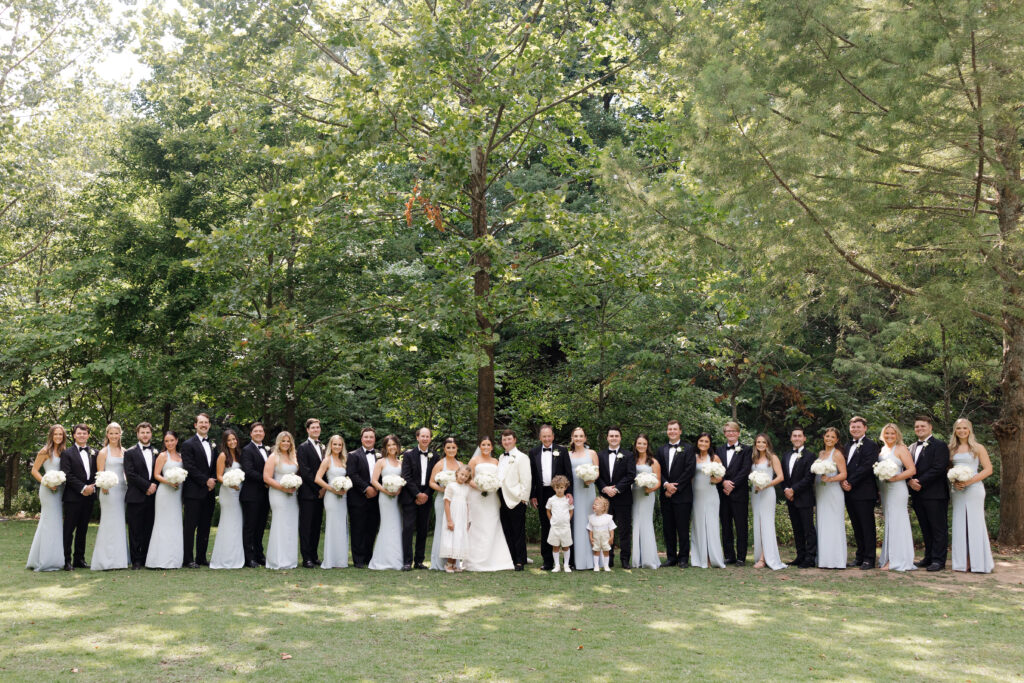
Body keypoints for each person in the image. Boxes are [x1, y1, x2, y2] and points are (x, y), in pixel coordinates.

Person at [949, 418, 994, 574]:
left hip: (974, 488)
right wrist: (954, 481)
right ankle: (962, 562)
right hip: (957, 490)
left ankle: (978, 562)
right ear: (955, 431)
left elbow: (988, 469)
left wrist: (969, 481)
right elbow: (947, 469)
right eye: (958, 428)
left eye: (965, 428)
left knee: (975, 523)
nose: (962, 431)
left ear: (970, 430)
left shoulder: (978, 447)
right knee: (959, 523)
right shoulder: (951, 449)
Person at [464, 435, 514, 571]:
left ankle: (495, 559)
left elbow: (499, 478)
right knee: (478, 525)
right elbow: (468, 478)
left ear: (492, 447)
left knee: (492, 524)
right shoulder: (474, 460)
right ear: (479, 446)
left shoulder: (496, 461)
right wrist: (480, 486)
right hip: (477, 496)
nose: (486, 447)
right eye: (483, 445)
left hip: (491, 497)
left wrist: (491, 486)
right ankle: (474, 560)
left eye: (488, 445)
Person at [908, 416, 949, 571]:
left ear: (930, 427)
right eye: (917, 426)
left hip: (935, 494)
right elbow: (907, 467)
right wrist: (910, 481)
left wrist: (919, 481)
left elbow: (939, 468)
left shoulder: (940, 445)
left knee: (938, 528)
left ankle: (939, 560)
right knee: (925, 527)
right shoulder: (911, 447)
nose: (919, 428)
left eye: (922, 426)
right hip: (917, 494)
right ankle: (929, 557)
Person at [529, 424, 573, 571]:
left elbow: (568, 472)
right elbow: (532, 476)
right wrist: (533, 495)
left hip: (560, 492)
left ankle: (567, 561)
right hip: (542, 493)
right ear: (540, 437)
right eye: (544, 436)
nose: (547, 439)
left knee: (564, 524)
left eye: (549, 436)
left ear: (553, 436)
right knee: (546, 526)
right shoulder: (533, 452)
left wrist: (569, 492)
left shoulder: (562, 451)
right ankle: (548, 561)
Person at [877, 423, 917, 571]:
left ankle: (897, 560)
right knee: (890, 522)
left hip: (897, 489)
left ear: (897, 435)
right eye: (886, 433)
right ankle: (888, 557)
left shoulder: (901, 449)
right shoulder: (882, 450)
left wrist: (896, 478)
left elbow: (912, 470)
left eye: (892, 433)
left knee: (897, 522)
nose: (889, 436)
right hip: (885, 490)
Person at [27, 425, 67, 572]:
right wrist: (47, 482)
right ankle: (44, 560)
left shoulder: (63, 451)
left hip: (60, 490)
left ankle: (54, 558)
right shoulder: (45, 451)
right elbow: (34, 470)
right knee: (48, 522)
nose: (58, 437)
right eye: (56, 434)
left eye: (60, 434)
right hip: (47, 490)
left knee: (56, 523)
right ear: (51, 435)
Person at [180, 413, 218, 568]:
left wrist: (213, 479)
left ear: (209, 425)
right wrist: (205, 481)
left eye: (206, 422)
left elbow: (215, 466)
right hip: (193, 492)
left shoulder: (213, 444)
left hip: (209, 492)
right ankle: (188, 559)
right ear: (195, 425)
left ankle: (201, 557)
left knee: (205, 526)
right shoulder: (188, 444)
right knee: (190, 527)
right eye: (201, 422)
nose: (204, 425)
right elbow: (189, 467)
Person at [656, 419, 695, 568]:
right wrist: (666, 484)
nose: (672, 431)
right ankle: (671, 557)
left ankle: (683, 558)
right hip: (666, 495)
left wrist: (675, 488)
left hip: (683, 495)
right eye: (670, 429)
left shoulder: (688, 449)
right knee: (668, 528)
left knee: (683, 528)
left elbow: (689, 470)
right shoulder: (661, 450)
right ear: (667, 431)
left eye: (675, 429)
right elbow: (658, 470)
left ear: (680, 431)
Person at [91, 422, 129, 571]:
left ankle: (119, 559)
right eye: (111, 433)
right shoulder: (103, 452)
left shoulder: (124, 451)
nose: (114, 436)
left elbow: (126, 472)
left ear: (120, 434)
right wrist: (104, 486)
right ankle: (105, 560)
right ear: (107, 434)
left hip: (122, 490)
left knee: (119, 523)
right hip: (108, 491)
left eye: (116, 433)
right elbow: (99, 473)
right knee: (109, 523)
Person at [842, 416, 879, 570]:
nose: (855, 429)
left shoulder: (871, 445)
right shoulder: (846, 445)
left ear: (865, 428)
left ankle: (869, 559)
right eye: (853, 427)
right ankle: (859, 556)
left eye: (858, 426)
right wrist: (842, 481)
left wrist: (850, 481)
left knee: (867, 525)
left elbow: (867, 466)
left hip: (864, 491)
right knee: (856, 526)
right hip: (848, 491)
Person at [146, 431, 185, 569]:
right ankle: (159, 559)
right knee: (162, 524)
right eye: (167, 441)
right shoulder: (162, 456)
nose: (169, 443)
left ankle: (174, 559)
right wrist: (169, 482)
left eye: (172, 440)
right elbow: (156, 474)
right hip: (165, 493)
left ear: (177, 440)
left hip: (177, 493)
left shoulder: (181, 456)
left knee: (175, 523)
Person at [597, 426, 635, 568]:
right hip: (605, 499)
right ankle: (609, 558)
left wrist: (617, 489)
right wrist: (605, 488)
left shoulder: (628, 455)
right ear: (607, 438)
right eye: (611, 436)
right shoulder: (600, 455)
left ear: (620, 438)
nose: (613, 438)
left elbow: (631, 475)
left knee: (624, 530)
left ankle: (625, 559)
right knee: (606, 529)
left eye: (616, 436)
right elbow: (596, 475)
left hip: (623, 497)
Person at [60, 423, 96, 570]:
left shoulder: (94, 452)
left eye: (84, 433)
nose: (82, 435)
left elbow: (98, 473)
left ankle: (79, 559)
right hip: (73, 497)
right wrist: (83, 488)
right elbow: (67, 474)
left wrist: (92, 487)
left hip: (89, 497)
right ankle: (66, 560)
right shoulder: (67, 453)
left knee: (83, 529)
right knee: (69, 530)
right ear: (74, 435)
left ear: (88, 435)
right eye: (79, 433)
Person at [123, 422, 159, 569]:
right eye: (142, 432)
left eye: (147, 432)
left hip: (153, 497)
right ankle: (136, 560)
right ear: (138, 434)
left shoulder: (156, 452)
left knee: (148, 528)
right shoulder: (129, 452)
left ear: (151, 434)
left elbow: (159, 472)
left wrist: (154, 485)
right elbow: (130, 474)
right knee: (135, 530)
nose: (145, 435)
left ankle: (146, 558)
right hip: (136, 497)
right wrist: (147, 486)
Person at [716, 421, 752, 566]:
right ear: (725, 433)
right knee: (726, 525)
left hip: (739, 493)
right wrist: (724, 482)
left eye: (733, 431)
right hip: (723, 493)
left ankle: (741, 557)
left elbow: (745, 469)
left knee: (741, 525)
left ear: (738, 433)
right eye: (728, 431)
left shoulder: (746, 449)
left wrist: (732, 484)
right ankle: (729, 555)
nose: (731, 433)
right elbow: (716, 468)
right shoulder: (718, 450)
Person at [400, 427, 436, 570]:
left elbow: (435, 478)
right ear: (417, 437)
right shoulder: (408, 455)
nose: (425, 439)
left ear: (430, 438)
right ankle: (407, 561)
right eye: (423, 436)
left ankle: (419, 561)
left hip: (426, 496)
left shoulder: (435, 456)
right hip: (410, 496)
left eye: (427, 436)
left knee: (423, 529)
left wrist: (426, 494)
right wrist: (417, 494)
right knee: (408, 529)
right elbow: (406, 476)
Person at [263, 431, 300, 570]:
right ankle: (277, 560)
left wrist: (295, 483)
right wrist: (283, 488)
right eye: (283, 441)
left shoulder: (293, 456)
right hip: (278, 494)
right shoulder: (273, 457)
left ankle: (290, 560)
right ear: (278, 442)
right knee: (280, 524)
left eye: (288, 441)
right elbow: (267, 478)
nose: (286, 443)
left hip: (292, 495)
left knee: (291, 525)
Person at [749, 433, 786, 570]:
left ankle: (764, 558)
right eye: (758, 442)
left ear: (768, 444)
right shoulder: (754, 458)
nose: (760, 444)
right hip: (755, 493)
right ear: (755, 444)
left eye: (763, 442)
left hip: (767, 493)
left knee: (766, 524)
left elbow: (780, 477)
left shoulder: (773, 458)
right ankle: (760, 555)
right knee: (758, 524)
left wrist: (766, 485)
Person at [210, 429, 245, 570]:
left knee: (237, 523)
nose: (232, 442)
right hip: (228, 492)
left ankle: (236, 556)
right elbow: (219, 476)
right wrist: (230, 483)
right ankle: (225, 558)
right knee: (228, 523)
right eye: (229, 440)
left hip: (239, 491)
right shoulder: (223, 455)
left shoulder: (239, 454)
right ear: (225, 442)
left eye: (234, 439)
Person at [782, 427, 816, 569]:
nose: (797, 438)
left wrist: (793, 490)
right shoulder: (786, 455)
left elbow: (809, 478)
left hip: (804, 497)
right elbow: (783, 476)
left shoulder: (810, 456)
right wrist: (786, 490)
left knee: (808, 529)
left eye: (799, 436)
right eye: (794, 436)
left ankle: (810, 558)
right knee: (797, 529)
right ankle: (800, 556)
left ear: (804, 438)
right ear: (791, 438)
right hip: (790, 498)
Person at [369, 434, 405, 570]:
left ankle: (397, 559)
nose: (392, 447)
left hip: (397, 498)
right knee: (386, 525)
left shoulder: (401, 463)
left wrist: (399, 489)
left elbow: (403, 480)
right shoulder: (381, 462)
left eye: (393, 444)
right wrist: (385, 490)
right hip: (385, 498)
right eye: (389, 445)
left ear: (397, 446)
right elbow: (374, 481)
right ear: (385, 448)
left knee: (397, 525)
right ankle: (383, 559)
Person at [814, 428, 848, 570]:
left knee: (833, 524)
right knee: (822, 523)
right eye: (827, 436)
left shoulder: (837, 454)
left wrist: (830, 479)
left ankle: (836, 560)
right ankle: (824, 559)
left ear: (837, 440)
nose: (829, 439)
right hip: (821, 491)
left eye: (832, 437)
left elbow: (844, 474)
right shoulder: (821, 454)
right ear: (824, 437)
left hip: (833, 492)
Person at [498, 429, 532, 571]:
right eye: (504, 439)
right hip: (501, 498)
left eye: (509, 439)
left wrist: (524, 497)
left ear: (515, 440)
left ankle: (520, 560)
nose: (506, 442)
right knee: (507, 530)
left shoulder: (522, 457)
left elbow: (526, 479)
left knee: (518, 531)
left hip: (516, 498)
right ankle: (511, 558)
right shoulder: (501, 457)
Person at [690, 433, 726, 569]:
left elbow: (721, 476)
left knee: (711, 525)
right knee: (698, 525)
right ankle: (700, 557)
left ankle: (712, 557)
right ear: (697, 442)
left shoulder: (714, 458)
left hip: (710, 494)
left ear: (710, 444)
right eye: (701, 441)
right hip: (696, 494)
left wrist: (715, 479)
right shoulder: (693, 457)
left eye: (706, 441)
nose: (703, 443)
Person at [315, 434, 350, 569]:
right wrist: (331, 489)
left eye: (339, 444)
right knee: (332, 526)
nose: (337, 447)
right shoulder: (327, 460)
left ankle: (340, 560)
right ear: (330, 445)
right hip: (331, 497)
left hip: (343, 497)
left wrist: (346, 485)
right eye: (335, 444)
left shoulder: (343, 460)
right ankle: (330, 560)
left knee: (341, 526)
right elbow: (317, 478)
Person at [347, 427, 380, 568]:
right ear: (361, 439)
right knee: (358, 528)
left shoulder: (380, 456)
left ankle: (368, 556)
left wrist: (377, 489)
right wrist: (366, 488)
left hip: (376, 498)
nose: (368, 439)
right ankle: (358, 559)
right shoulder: (353, 455)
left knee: (372, 528)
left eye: (371, 437)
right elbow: (352, 474)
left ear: (374, 439)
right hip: (358, 497)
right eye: (366, 437)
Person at [567, 427, 599, 570]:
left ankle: (593, 560)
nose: (578, 438)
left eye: (581, 436)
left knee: (589, 522)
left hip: (588, 491)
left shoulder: (592, 453)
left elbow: (597, 472)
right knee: (576, 524)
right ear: (572, 438)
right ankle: (577, 561)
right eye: (576, 436)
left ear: (585, 438)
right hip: (574, 492)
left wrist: (590, 479)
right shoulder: (568, 454)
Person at [239, 422, 270, 567]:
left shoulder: (267, 450)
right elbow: (249, 471)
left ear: (264, 433)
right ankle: (249, 557)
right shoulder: (247, 450)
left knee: (260, 527)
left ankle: (259, 554)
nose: (258, 433)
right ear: (251, 433)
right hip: (251, 495)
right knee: (250, 527)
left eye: (261, 431)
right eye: (255, 431)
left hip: (265, 494)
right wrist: (266, 480)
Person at [296, 417, 326, 568]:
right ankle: (306, 558)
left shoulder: (323, 447)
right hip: (308, 493)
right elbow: (305, 471)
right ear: (307, 430)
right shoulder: (302, 447)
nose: (316, 430)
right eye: (313, 427)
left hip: (321, 494)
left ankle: (314, 556)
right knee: (306, 527)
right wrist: (319, 488)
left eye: (317, 427)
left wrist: (324, 488)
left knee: (316, 526)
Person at [429, 437, 461, 570]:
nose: (451, 450)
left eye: (453, 447)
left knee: (454, 529)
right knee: (442, 528)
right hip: (442, 500)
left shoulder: (461, 465)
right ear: (444, 449)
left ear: (457, 448)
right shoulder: (440, 464)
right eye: (448, 448)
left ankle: (453, 562)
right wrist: (443, 489)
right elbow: (431, 482)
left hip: (456, 501)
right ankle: (439, 562)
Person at [631, 433, 661, 569]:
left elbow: (658, 481)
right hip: (634, 494)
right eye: (639, 443)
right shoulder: (632, 460)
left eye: (644, 443)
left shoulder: (653, 462)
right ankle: (637, 559)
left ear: (647, 445)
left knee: (646, 523)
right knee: (636, 523)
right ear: (635, 445)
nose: (641, 446)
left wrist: (650, 489)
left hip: (647, 495)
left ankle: (648, 559)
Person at [440, 465, 472, 573]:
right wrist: (449, 520)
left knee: (459, 538)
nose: (463, 477)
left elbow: (467, 505)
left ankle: (454, 564)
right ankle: (448, 564)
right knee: (452, 538)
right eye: (462, 474)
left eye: (466, 476)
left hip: (462, 516)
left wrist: (467, 521)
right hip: (453, 515)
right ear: (457, 473)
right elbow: (446, 503)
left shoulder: (467, 488)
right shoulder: (451, 486)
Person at [546, 475, 573, 572]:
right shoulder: (551, 500)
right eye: (557, 487)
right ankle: (557, 565)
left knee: (566, 546)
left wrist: (568, 519)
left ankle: (566, 565)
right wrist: (551, 520)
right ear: (554, 488)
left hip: (565, 527)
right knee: (555, 546)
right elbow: (548, 511)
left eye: (561, 487)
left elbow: (571, 511)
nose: (559, 490)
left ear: (565, 487)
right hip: (555, 527)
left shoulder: (568, 500)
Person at [587, 496, 616, 572]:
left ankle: (606, 566)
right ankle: (596, 566)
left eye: (596, 504)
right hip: (596, 539)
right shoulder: (592, 518)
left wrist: (611, 537)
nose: (594, 505)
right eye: (594, 504)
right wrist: (591, 538)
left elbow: (611, 529)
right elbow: (590, 529)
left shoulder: (608, 518)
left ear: (603, 508)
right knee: (596, 551)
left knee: (606, 551)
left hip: (605, 539)